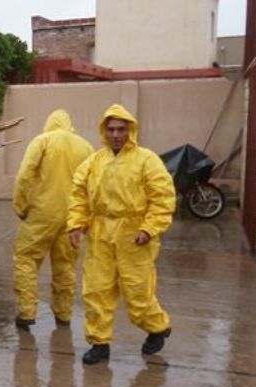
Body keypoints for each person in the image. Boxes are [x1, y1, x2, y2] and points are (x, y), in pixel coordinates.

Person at [67, 104, 176, 365]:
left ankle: (157, 326)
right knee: (96, 290)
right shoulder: (94, 162)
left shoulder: (146, 160)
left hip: (134, 235)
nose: (116, 134)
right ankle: (99, 343)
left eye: (121, 129)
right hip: (100, 233)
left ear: (130, 130)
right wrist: (75, 224)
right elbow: (78, 194)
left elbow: (162, 198)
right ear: (104, 131)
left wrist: (148, 228)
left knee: (137, 294)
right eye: (111, 129)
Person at [13, 109, 93, 328]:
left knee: (26, 258)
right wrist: (86, 218)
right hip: (72, 217)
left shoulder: (42, 141)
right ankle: (64, 313)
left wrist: (21, 205)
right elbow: (94, 185)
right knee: (66, 265)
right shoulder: (85, 147)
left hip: (41, 213)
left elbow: (24, 174)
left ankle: (27, 312)